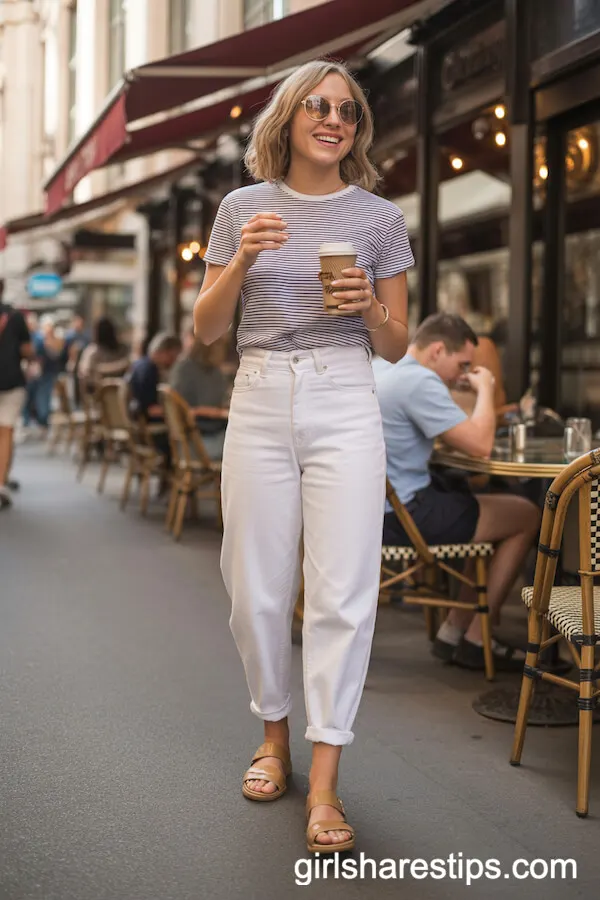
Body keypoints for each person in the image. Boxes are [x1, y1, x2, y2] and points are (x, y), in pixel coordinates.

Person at [194, 59, 412, 853]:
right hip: (258, 392)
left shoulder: (381, 219)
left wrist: (371, 310)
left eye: (348, 110)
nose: (333, 118)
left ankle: (324, 781)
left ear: (357, 129)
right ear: (287, 118)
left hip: (345, 396)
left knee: (343, 590)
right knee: (253, 586)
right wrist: (244, 260)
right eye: (317, 106)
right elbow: (208, 330)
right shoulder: (240, 207)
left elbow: (396, 345)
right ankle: (272, 733)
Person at [376, 313, 541, 672]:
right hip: (407, 517)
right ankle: (476, 638)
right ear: (437, 350)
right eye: (462, 364)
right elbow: (480, 445)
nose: (463, 374)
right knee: (527, 514)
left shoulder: (385, 366)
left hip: (378, 510)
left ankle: (454, 630)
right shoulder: (418, 381)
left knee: (482, 507)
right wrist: (484, 389)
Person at [169, 328, 229, 460]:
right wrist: (215, 413)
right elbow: (180, 410)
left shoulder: (215, 372)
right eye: (220, 344)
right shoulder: (185, 369)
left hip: (213, 433)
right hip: (196, 440)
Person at [0, 288, 34, 508]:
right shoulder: (15, 316)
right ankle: (1, 483)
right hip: (11, 379)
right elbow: (27, 350)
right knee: (6, 431)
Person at [22, 315, 66, 433]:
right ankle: (30, 421)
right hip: (32, 374)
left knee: (42, 398)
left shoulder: (41, 338)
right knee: (30, 399)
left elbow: (56, 355)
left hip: (45, 373)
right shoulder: (32, 338)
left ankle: (42, 421)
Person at [128, 332, 182, 422]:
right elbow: (151, 409)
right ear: (164, 352)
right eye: (173, 356)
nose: (174, 361)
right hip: (145, 419)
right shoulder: (149, 372)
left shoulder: (139, 364)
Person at [77, 317, 130, 394]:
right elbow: (85, 373)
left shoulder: (122, 349)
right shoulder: (93, 351)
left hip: (119, 393)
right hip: (99, 395)